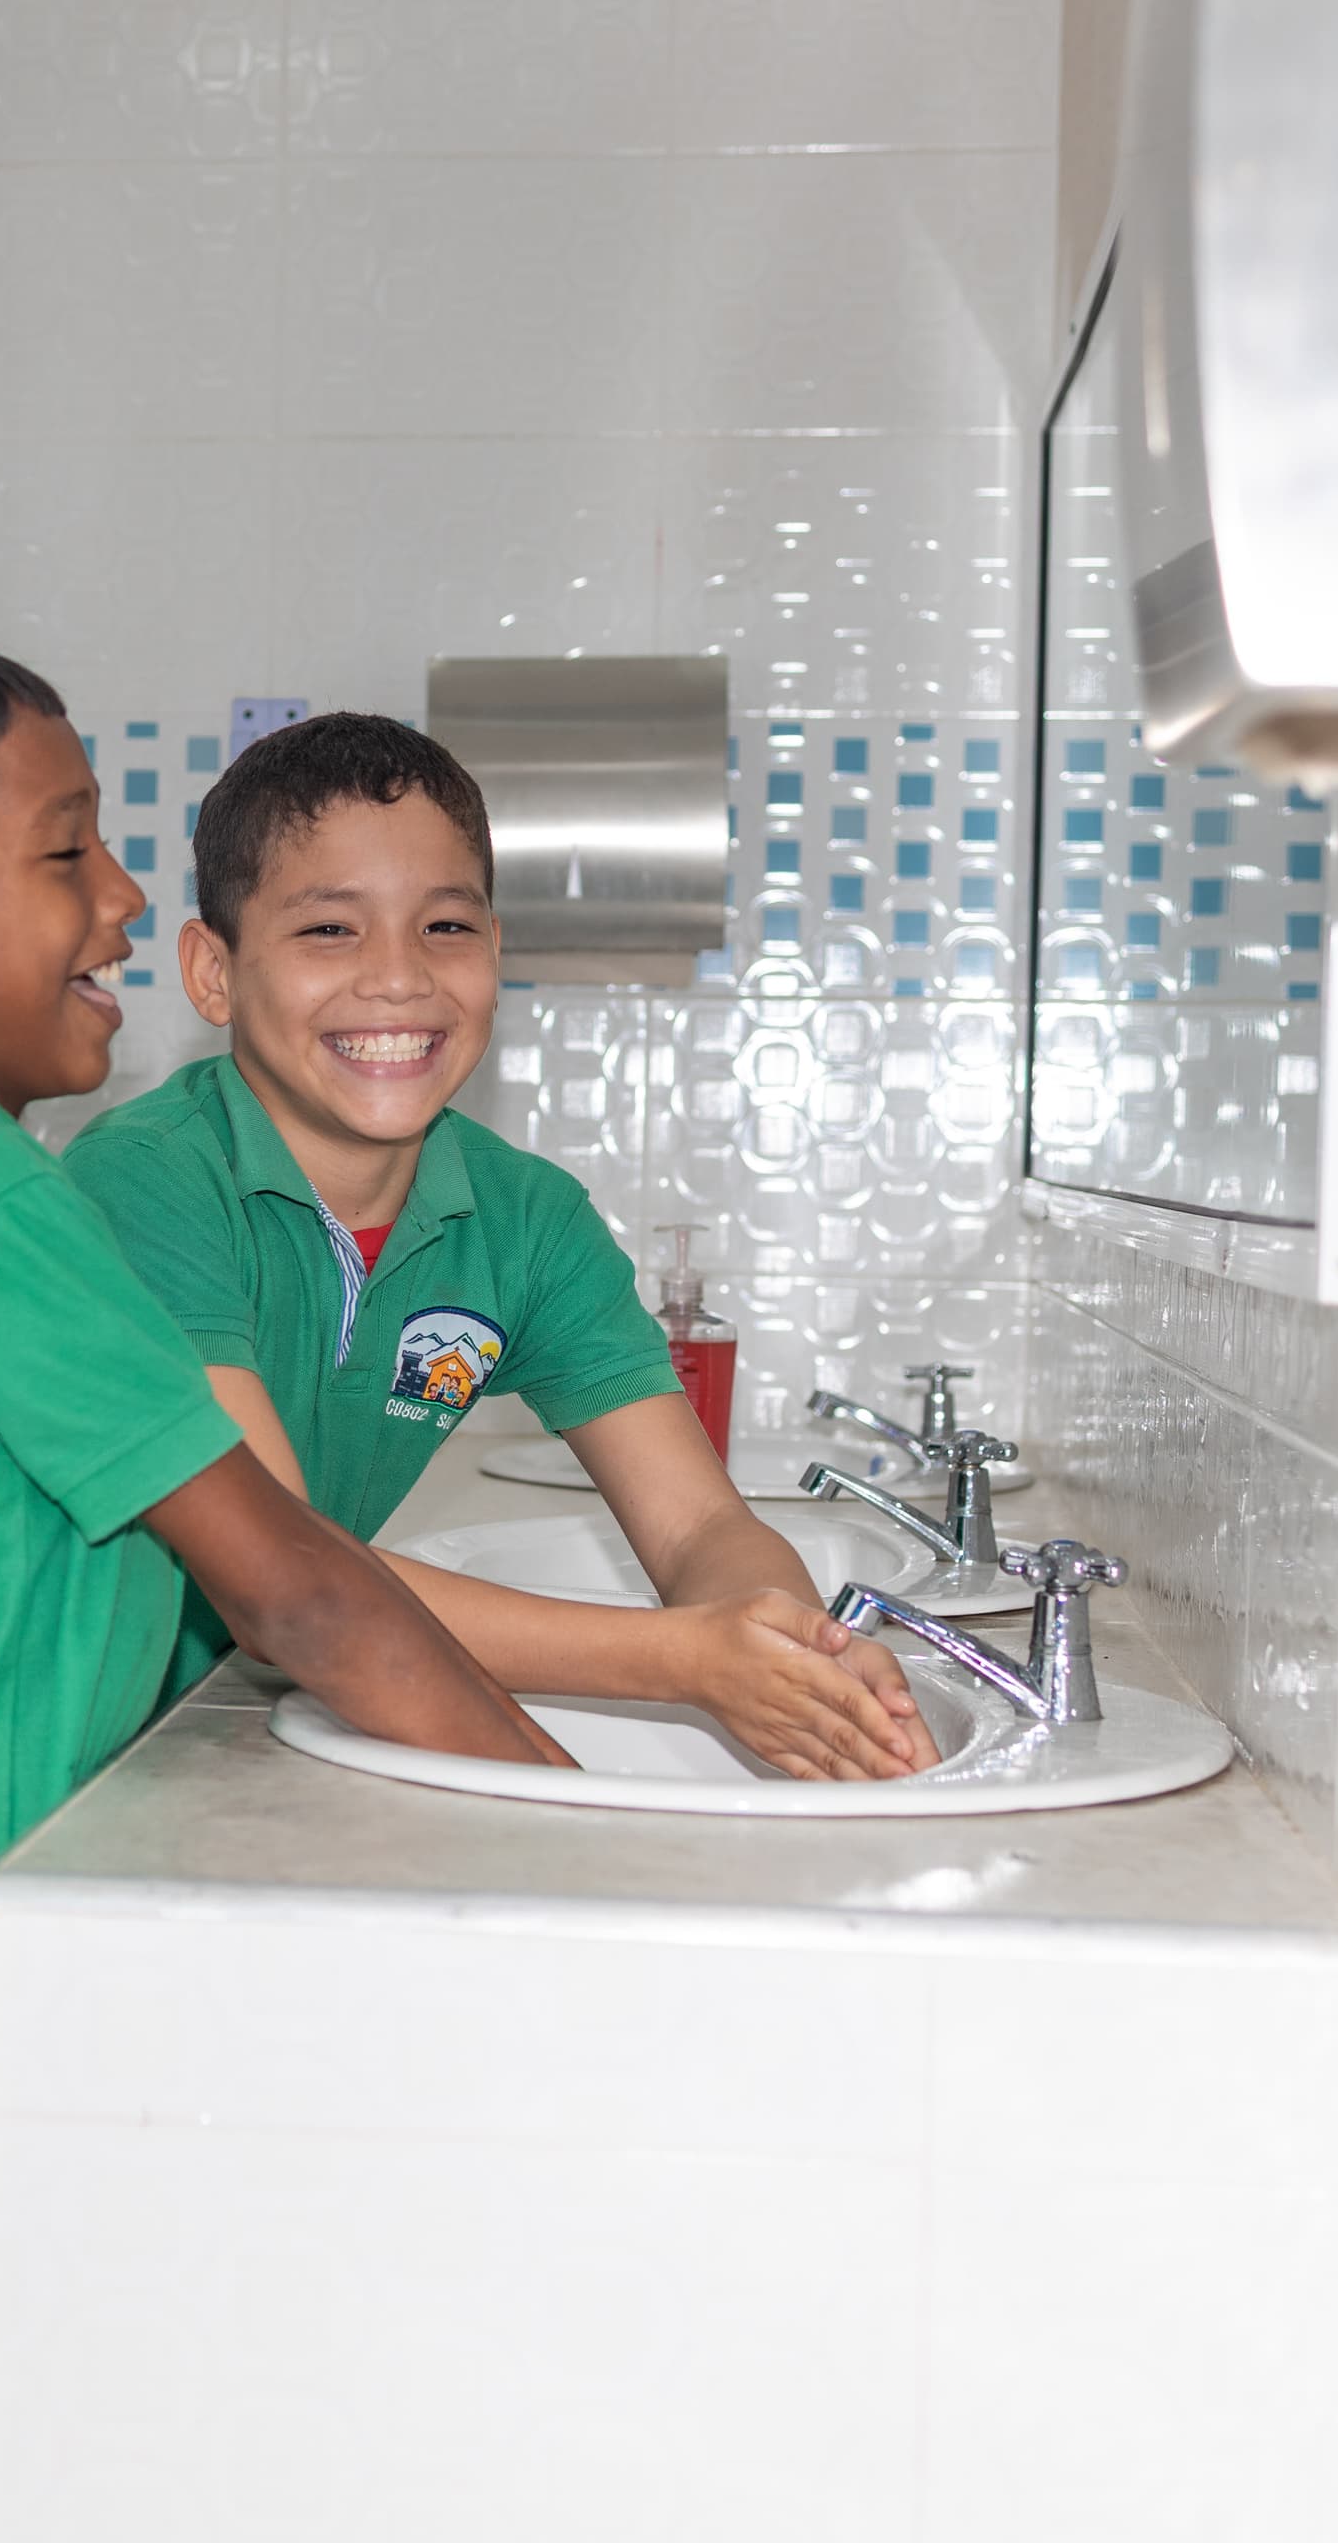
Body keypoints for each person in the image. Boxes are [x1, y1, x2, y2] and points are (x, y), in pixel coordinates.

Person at [0, 639, 565, 2543]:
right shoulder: (1, 1216)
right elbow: (297, 1591)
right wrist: (571, 1840)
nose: (128, 897)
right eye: (68, 853)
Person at [62, 710, 930, 1781]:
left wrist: (801, 1657)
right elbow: (281, 1566)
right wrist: (681, 1659)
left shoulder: (526, 1220)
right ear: (213, 970)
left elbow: (699, 1524)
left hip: (252, 1732)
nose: (398, 977)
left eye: (447, 927)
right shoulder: (148, 1180)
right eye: (330, 929)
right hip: (74, 1759)